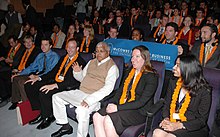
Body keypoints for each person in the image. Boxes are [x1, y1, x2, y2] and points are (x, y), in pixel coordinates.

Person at [51, 42, 119, 137]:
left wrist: (89, 100)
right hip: (81, 92)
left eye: (101, 51)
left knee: (81, 111)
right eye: (97, 51)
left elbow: (108, 89)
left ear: (108, 52)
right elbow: (82, 78)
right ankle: (65, 126)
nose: (98, 53)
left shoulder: (112, 67)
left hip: (94, 97)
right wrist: (77, 72)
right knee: (56, 97)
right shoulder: (91, 62)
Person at [93, 45, 158, 137]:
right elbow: (120, 91)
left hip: (139, 111)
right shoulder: (129, 71)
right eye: (132, 56)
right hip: (124, 104)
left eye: (137, 56)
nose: (133, 59)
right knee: (97, 116)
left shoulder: (152, 76)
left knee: (109, 119)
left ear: (145, 58)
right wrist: (113, 104)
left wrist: (118, 108)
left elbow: (141, 102)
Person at [24, 39, 86, 130]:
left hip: (67, 86)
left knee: (44, 92)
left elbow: (74, 82)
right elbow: (53, 72)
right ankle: (41, 111)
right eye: (68, 47)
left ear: (77, 49)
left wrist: (55, 85)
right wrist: (39, 78)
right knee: (30, 85)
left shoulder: (80, 62)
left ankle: (48, 116)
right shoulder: (63, 58)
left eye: (72, 47)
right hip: (57, 80)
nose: (69, 49)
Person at [153, 54, 212, 137]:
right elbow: (167, 104)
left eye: (177, 65)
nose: (173, 68)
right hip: (173, 120)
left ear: (188, 69)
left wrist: (179, 125)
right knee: (157, 133)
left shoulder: (204, 90)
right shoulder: (173, 82)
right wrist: (166, 118)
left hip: (192, 126)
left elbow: (201, 120)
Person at [8, 37, 60, 110]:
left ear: (50, 46)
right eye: (42, 44)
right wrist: (19, 74)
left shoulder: (54, 57)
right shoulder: (40, 55)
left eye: (46, 45)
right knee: (16, 78)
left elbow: (50, 72)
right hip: (37, 74)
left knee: (22, 82)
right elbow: (32, 67)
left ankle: (28, 105)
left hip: (46, 77)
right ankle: (15, 101)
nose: (43, 47)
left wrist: (37, 76)